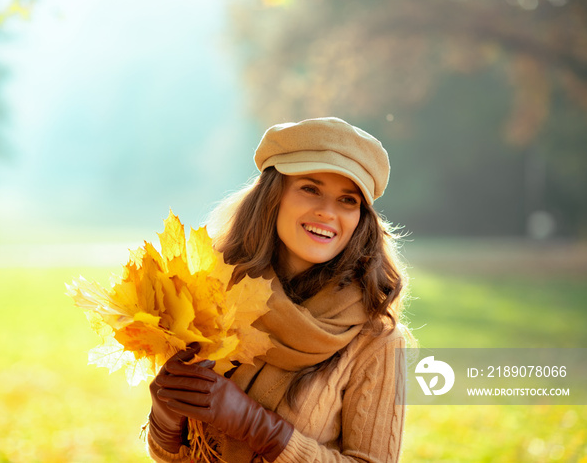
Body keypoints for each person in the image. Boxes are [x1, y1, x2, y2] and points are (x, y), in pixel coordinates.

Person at [146, 117, 411, 462]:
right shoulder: (209, 301)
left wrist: (261, 429)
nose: (327, 212)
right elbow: (177, 456)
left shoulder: (377, 340)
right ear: (273, 196)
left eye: (348, 200)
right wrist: (165, 423)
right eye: (310, 189)